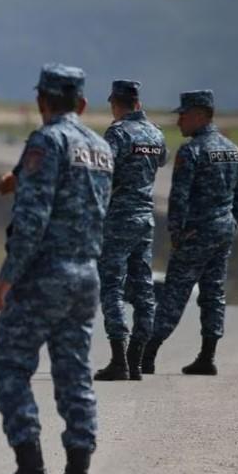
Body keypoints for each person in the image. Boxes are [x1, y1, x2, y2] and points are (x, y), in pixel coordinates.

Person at [0, 64, 112, 474]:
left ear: (42, 101)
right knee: (75, 377)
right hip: (85, 275)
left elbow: (34, 221)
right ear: (81, 104)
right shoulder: (99, 148)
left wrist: (5, 278)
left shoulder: (46, 140)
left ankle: (31, 469)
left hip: (44, 276)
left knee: (10, 369)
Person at [141, 90, 238, 376]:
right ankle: (207, 355)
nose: (179, 121)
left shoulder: (192, 151)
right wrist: (229, 223)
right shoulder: (232, 149)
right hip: (222, 232)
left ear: (200, 115)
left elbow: (178, 199)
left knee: (175, 293)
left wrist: (177, 234)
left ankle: (147, 354)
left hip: (196, 233)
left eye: (183, 115)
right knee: (214, 291)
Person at [94, 81, 168, 381]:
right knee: (143, 289)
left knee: (111, 286)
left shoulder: (118, 133)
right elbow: (160, 160)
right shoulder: (156, 133)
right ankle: (136, 360)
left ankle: (118, 360)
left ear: (116, 103)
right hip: (145, 219)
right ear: (138, 102)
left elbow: (102, 170)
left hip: (119, 219)